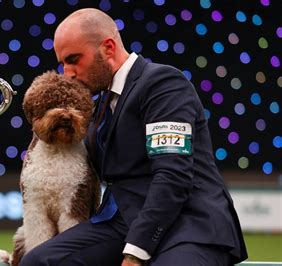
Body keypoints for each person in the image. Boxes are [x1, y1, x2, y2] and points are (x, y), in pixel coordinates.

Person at [19, 8, 248, 266]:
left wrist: (136, 251)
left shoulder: (163, 83)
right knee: (38, 261)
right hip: (123, 223)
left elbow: (174, 176)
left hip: (189, 224)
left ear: (107, 48)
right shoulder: (99, 102)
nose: (67, 72)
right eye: (63, 63)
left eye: (73, 59)